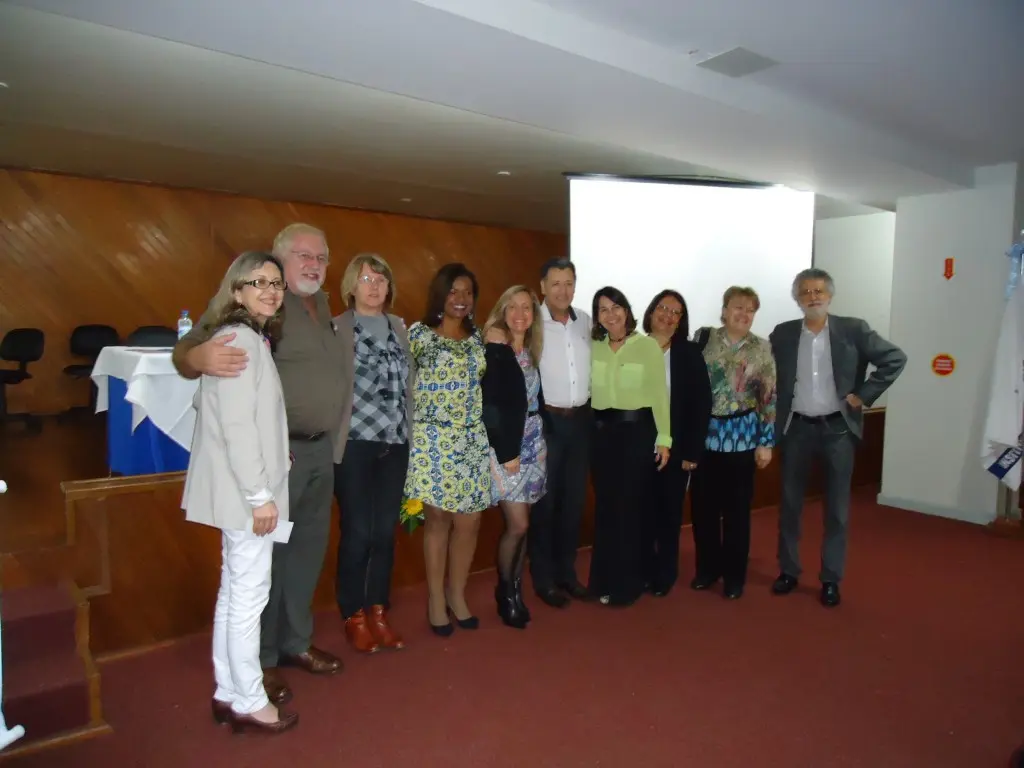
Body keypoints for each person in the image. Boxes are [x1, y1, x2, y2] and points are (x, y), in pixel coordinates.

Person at [173, 223, 344, 706]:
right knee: (260, 565)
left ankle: (295, 642)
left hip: (317, 452)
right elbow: (188, 351)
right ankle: (261, 662)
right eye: (303, 255)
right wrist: (197, 355)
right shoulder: (249, 310)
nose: (314, 264)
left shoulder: (326, 307)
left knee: (305, 553)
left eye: (322, 256)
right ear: (278, 259)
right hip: (270, 461)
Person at [182, 251, 298, 734]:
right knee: (248, 596)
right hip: (246, 495)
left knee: (235, 593)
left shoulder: (248, 336)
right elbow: (237, 429)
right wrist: (260, 495)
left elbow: (250, 419)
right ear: (237, 291)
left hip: (242, 490)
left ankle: (229, 690)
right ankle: (251, 698)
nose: (270, 290)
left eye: (276, 282)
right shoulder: (239, 340)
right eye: (258, 282)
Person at [770, 268, 906, 607]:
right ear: (797, 299)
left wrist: (865, 393)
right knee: (789, 505)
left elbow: (894, 358)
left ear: (829, 295)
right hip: (796, 429)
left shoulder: (853, 329)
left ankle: (831, 578)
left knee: (837, 510)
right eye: (805, 291)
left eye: (818, 291)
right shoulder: (783, 334)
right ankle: (788, 570)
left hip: (838, 430)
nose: (812, 296)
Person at [331, 253, 414, 653]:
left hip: (395, 442)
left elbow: (409, 388)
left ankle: (378, 610)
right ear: (351, 285)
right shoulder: (336, 329)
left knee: (384, 533)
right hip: (355, 443)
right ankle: (353, 614)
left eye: (381, 278)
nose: (374, 285)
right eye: (366, 278)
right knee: (358, 532)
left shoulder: (400, 327)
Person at [404, 263, 491, 635]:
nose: (461, 299)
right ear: (440, 294)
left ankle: (457, 594)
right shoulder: (418, 336)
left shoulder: (479, 339)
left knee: (470, 522)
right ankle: (436, 599)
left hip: (471, 439)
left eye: (468, 292)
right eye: (454, 291)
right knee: (438, 520)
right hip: (432, 440)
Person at [691, 286, 777, 599]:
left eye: (750, 310)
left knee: (738, 513)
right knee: (704, 510)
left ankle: (734, 576)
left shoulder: (761, 348)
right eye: (737, 307)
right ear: (724, 309)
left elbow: (768, 397)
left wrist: (765, 442)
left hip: (742, 438)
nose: (743, 314)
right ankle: (707, 569)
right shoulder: (704, 339)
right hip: (706, 438)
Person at [588, 286, 671, 607]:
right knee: (607, 509)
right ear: (597, 317)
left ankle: (629, 584)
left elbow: (660, 397)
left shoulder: (647, 346)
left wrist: (665, 439)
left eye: (616, 307)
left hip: (636, 434)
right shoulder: (593, 347)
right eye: (603, 309)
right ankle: (603, 581)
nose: (611, 314)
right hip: (602, 437)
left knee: (631, 510)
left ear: (627, 310)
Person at [481, 286, 548, 629]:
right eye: (513, 307)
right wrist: (507, 452)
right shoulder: (495, 347)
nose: (520, 314)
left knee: (525, 526)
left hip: (535, 444)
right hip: (507, 447)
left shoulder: (534, 349)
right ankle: (505, 593)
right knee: (517, 524)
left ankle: (516, 588)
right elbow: (490, 406)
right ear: (502, 311)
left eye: (527, 308)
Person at [640, 290, 712, 596]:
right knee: (641, 512)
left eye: (676, 312)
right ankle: (641, 569)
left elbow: (701, 403)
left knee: (669, 513)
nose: (667, 316)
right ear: (651, 311)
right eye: (663, 308)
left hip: (678, 447)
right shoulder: (634, 347)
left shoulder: (689, 353)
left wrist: (692, 451)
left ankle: (665, 574)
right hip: (639, 445)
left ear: (681, 321)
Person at [531, 258, 592, 608]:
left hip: (580, 424)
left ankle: (567, 574)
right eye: (555, 283)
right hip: (547, 424)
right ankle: (543, 579)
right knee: (545, 504)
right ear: (542, 286)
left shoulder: (585, 321)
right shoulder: (530, 322)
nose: (563, 290)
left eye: (569, 283)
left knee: (573, 504)